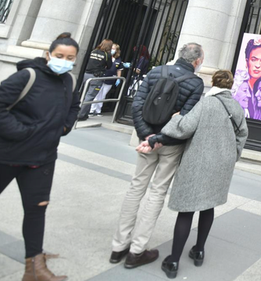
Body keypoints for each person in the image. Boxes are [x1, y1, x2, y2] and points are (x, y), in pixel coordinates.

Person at [0, 36, 81, 281]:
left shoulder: (70, 81)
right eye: (60, 56)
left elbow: (74, 105)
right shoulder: (27, 76)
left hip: (42, 159)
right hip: (3, 156)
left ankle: (34, 270)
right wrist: (20, 132)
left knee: (36, 209)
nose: (64, 61)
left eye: (70, 58)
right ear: (48, 53)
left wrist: (65, 126)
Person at [139, 70, 248, 279]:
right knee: (208, 205)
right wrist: (233, 154)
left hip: (198, 161)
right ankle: (199, 251)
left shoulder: (205, 104)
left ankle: (173, 261)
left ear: (213, 83)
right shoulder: (236, 107)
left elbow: (186, 128)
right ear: (230, 85)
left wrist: (176, 118)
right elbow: (243, 133)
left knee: (187, 210)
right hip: (222, 164)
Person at [110, 43, 205, 270]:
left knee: (136, 187)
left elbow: (137, 104)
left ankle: (118, 246)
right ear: (197, 61)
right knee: (157, 192)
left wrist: (146, 136)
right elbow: (184, 119)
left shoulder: (155, 71)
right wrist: (159, 138)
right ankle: (137, 251)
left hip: (146, 140)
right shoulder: (196, 83)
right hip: (170, 144)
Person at [79, 39, 113, 120]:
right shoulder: (107, 55)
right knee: (90, 96)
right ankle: (80, 114)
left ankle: (84, 114)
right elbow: (109, 66)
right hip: (96, 77)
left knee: (84, 94)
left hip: (87, 75)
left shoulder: (94, 51)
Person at [90, 43, 124, 116]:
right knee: (97, 94)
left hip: (110, 79)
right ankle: (92, 110)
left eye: (114, 49)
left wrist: (118, 78)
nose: (112, 50)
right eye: (112, 48)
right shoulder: (106, 56)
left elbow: (119, 69)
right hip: (102, 77)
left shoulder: (118, 59)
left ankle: (98, 111)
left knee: (103, 95)